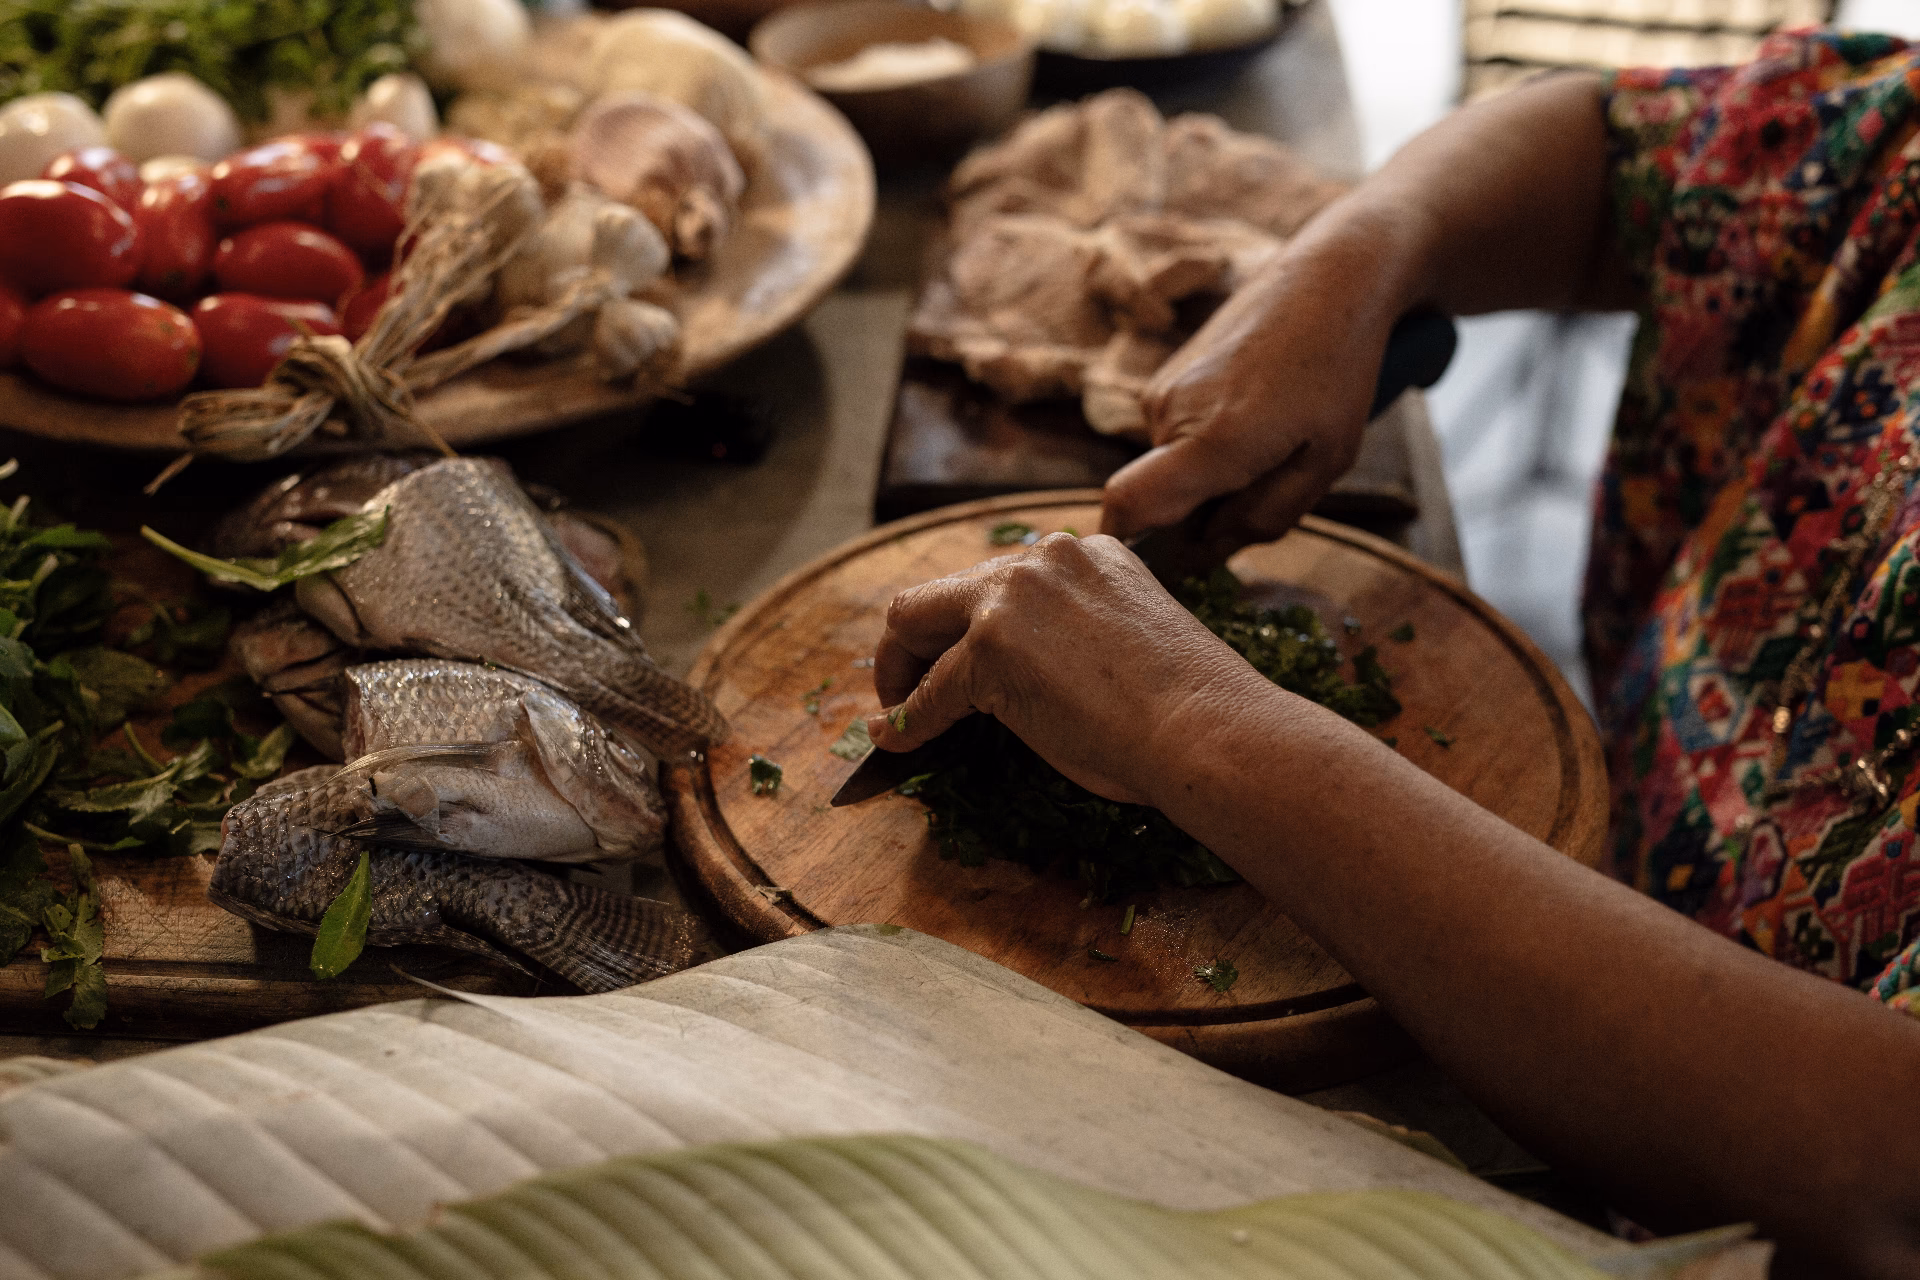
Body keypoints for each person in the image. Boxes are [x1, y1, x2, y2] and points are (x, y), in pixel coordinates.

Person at [863, 29, 1920, 1279]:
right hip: (1607, 866)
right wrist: (1346, 267)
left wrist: (1192, 720)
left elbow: (1880, 1168)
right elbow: (1624, 157)